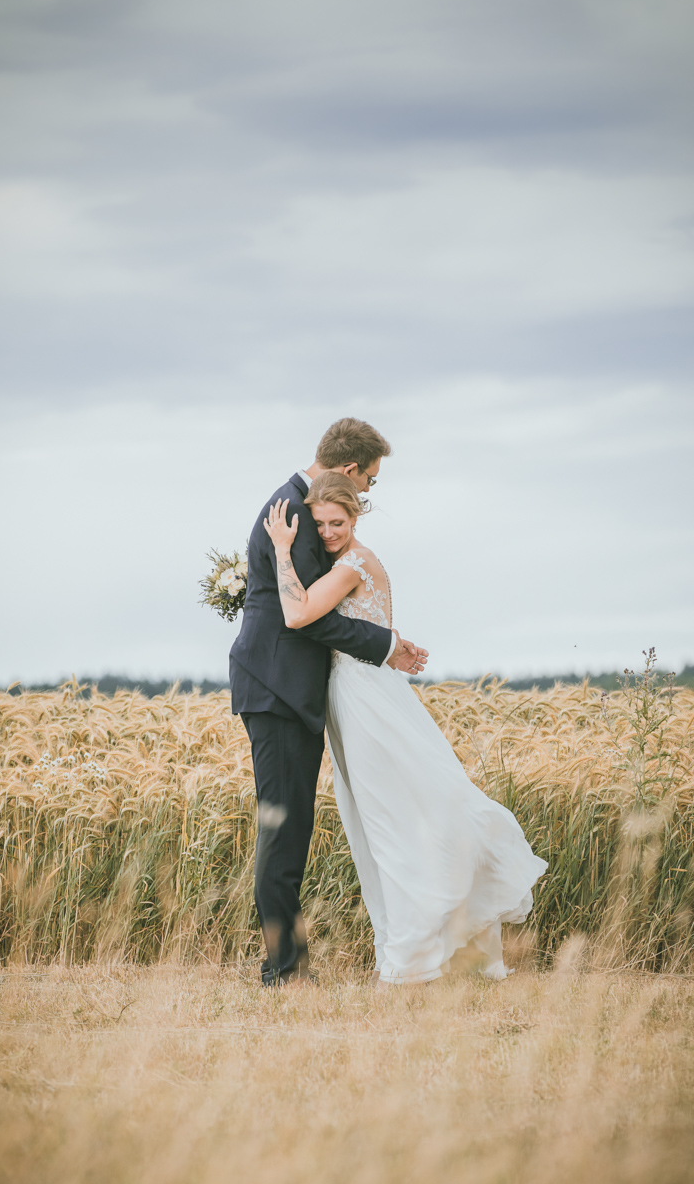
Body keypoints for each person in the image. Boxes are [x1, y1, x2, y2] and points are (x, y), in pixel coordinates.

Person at [263, 472, 547, 985]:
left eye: (338, 522)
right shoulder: (344, 560)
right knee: (386, 820)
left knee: (392, 822)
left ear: (357, 516)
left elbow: (297, 612)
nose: (327, 533)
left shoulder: (352, 564)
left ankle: (415, 955)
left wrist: (282, 550)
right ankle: (433, 944)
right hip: (359, 697)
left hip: (367, 702)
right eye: (320, 524)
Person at [229, 418, 429, 986]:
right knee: (283, 829)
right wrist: (385, 646)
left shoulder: (296, 502)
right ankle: (283, 969)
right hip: (278, 688)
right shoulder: (297, 512)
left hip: (282, 686)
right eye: (369, 479)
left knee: (289, 826)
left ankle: (286, 963)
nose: (368, 492)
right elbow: (311, 619)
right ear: (348, 469)